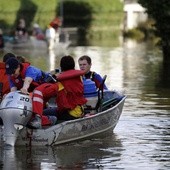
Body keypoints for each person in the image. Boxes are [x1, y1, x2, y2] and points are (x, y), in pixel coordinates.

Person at [28, 55, 87, 129]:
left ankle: (47, 120)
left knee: (38, 97)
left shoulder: (61, 82)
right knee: (48, 110)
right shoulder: (79, 78)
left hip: (69, 114)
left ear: (61, 68)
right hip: (79, 112)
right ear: (73, 66)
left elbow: (41, 92)